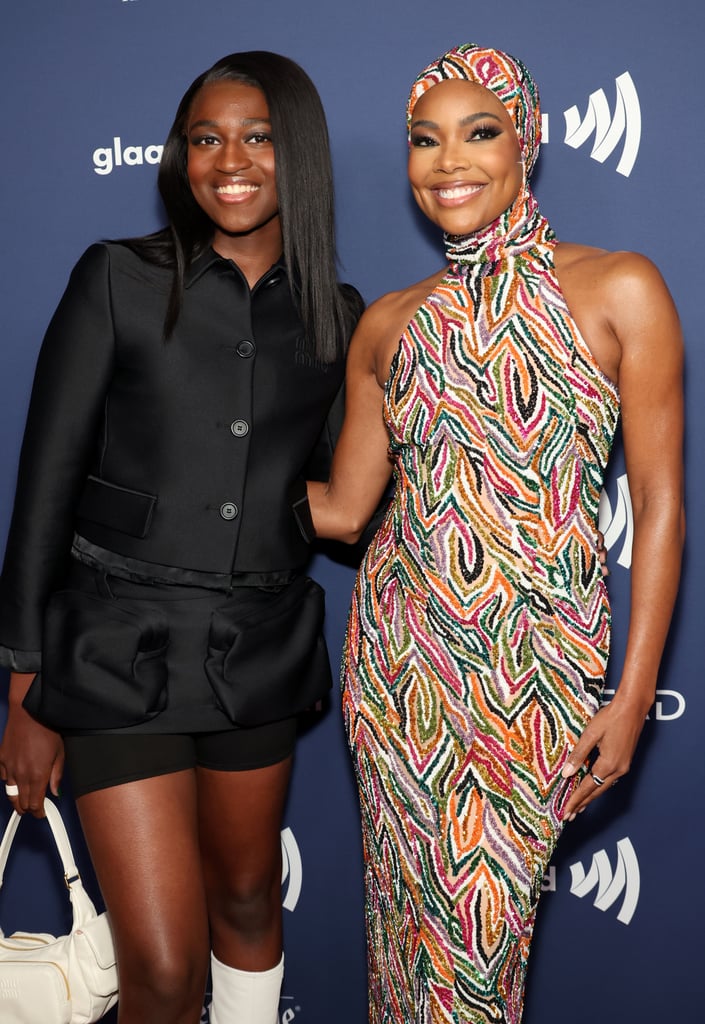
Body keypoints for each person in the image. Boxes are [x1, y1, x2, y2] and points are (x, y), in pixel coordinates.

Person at [307, 44, 684, 1024]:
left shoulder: (620, 290)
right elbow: (345, 510)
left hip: (534, 685)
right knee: (410, 963)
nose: (448, 162)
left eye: (479, 132)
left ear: (530, 141)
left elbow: (660, 501)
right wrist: (189, 480)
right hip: (401, 683)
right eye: (424, 141)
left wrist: (635, 691)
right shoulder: (390, 325)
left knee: (471, 968)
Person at [0, 51, 363, 1024]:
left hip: (259, 654)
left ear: (299, 156)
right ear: (180, 157)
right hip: (117, 650)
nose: (228, 160)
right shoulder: (115, 277)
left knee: (247, 901)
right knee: (160, 966)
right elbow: (45, 483)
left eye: (255, 137)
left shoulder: (339, 314)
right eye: (206, 138)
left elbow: (348, 499)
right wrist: (26, 686)